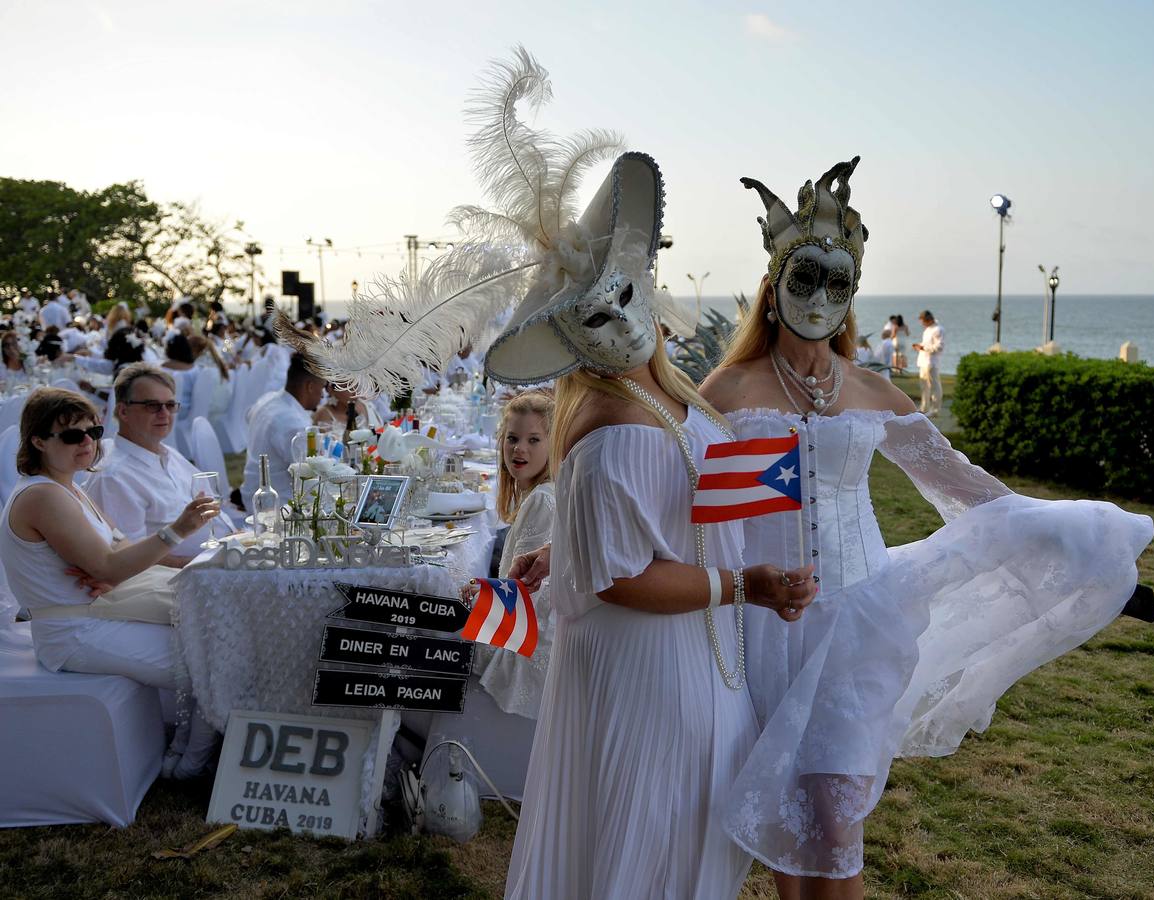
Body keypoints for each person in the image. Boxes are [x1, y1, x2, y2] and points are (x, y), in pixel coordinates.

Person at [286, 61, 815, 897]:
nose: (622, 318)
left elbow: (640, 532)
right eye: (595, 311)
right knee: (650, 841)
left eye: (626, 294)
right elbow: (632, 577)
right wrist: (743, 582)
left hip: (694, 653)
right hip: (656, 664)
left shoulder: (670, 398)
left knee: (671, 840)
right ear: (569, 337)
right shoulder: (610, 433)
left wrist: (566, 560)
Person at [701, 157, 1154, 898]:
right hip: (765, 625)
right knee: (791, 811)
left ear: (852, 296)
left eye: (836, 282)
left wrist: (1061, 536)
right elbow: (677, 489)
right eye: (805, 278)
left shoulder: (874, 389)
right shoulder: (726, 389)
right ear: (774, 289)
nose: (820, 296)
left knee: (836, 814)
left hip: (861, 619)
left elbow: (965, 488)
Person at [0, 387, 222, 778]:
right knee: (210, 663)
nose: (87, 442)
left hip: (99, 613)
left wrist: (115, 570)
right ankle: (191, 765)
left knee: (209, 645)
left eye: (94, 432)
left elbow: (118, 549)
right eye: (71, 435)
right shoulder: (42, 497)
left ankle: (183, 755)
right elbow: (108, 565)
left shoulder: (69, 488)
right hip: (73, 632)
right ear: (38, 441)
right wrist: (176, 531)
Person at [84, 364, 236, 562]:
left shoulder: (167, 454)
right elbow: (128, 558)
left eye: (170, 405)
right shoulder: (114, 477)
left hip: (225, 553)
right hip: (184, 578)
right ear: (123, 411)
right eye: (152, 406)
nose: (164, 413)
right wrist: (196, 566)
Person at [468, 389, 557, 719]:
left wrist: (478, 601)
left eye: (534, 440)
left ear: (553, 445)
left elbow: (523, 599)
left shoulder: (542, 499)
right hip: (525, 631)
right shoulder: (536, 493)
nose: (519, 448)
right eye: (512, 438)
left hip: (527, 649)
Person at [240, 351, 324, 507]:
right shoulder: (293, 422)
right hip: (275, 504)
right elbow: (311, 476)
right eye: (323, 387)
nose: (323, 395)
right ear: (310, 387)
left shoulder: (268, 399)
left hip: (252, 491)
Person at [912, 309, 944, 416]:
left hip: (932, 362)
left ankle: (935, 410)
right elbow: (927, 343)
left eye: (923, 321)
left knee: (934, 386)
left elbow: (939, 347)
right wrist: (919, 346)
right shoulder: (928, 330)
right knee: (924, 386)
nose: (922, 324)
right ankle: (924, 407)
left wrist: (923, 347)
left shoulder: (938, 329)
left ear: (928, 320)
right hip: (924, 361)